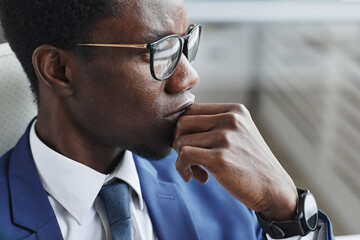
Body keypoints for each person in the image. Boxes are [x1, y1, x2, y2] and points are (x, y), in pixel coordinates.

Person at [0, 0, 334, 239]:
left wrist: (286, 208)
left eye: (185, 43)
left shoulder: (227, 184)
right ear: (58, 70)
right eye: (161, 51)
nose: (189, 78)